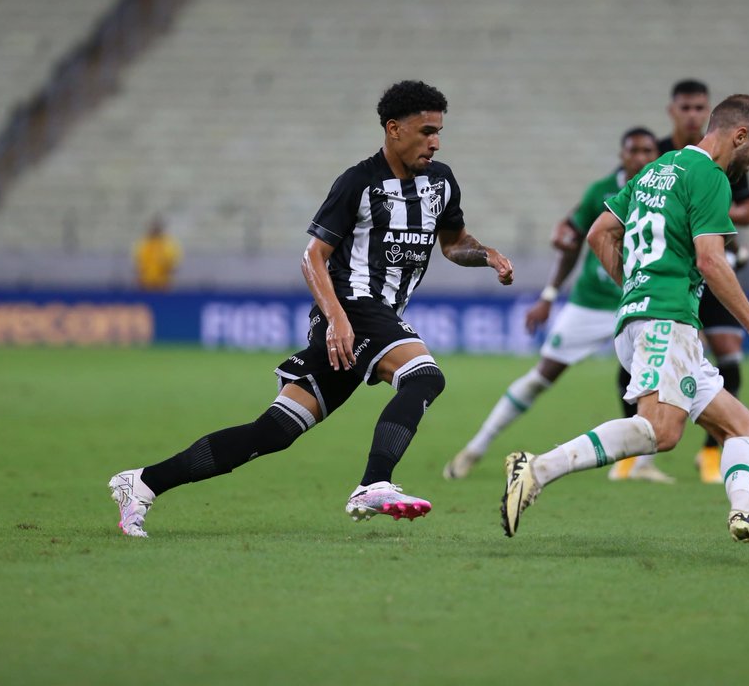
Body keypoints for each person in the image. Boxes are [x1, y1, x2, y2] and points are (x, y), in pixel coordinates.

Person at [108, 80, 514, 537]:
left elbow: (454, 243)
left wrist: (487, 256)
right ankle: (374, 483)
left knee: (273, 431)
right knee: (424, 375)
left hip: (365, 320)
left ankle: (141, 483)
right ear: (394, 129)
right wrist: (337, 318)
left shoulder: (441, 182)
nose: (435, 141)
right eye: (425, 131)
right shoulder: (358, 183)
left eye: (439, 131)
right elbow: (312, 257)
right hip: (353, 307)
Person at [499, 94, 749, 560]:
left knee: (744, 428)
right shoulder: (710, 176)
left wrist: (633, 289)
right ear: (739, 135)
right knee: (661, 432)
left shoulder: (656, 169)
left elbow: (599, 233)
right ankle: (537, 468)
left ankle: (746, 509)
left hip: (645, 318)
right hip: (667, 321)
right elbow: (711, 261)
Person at [441, 127, 671, 483]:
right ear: (622, 155)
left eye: (648, 150)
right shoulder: (601, 192)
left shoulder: (665, 190)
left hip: (641, 301)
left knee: (653, 383)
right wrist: (548, 296)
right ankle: (476, 446)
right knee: (542, 376)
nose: (642, 157)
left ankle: (638, 466)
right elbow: (571, 242)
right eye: (634, 151)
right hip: (592, 303)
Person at [608, 79, 749, 485]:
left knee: (727, 355)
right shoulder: (661, 155)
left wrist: (708, 216)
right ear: (673, 111)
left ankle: (713, 455)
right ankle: (609, 456)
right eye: (686, 107)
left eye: (699, 107)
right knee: (663, 427)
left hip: (693, 276)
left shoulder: (729, 164)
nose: (692, 114)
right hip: (677, 278)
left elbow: (747, 211)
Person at [132, 216, 182, 290]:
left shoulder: (168, 244)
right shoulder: (143, 243)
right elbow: (138, 263)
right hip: (145, 283)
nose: (155, 229)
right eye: (153, 226)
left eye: (157, 227)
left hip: (164, 283)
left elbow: (173, 264)